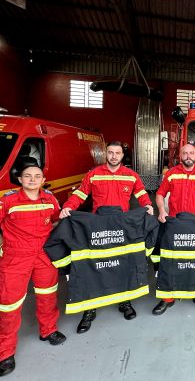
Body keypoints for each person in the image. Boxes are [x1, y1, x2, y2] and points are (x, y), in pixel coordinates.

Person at [0, 163, 66, 377]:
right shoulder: (7, 200)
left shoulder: (50, 199)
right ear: (20, 179)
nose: (33, 180)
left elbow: (55, 223)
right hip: (15, 258)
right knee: (9, 305)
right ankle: (4, 353)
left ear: (43, 179)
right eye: (28, 176)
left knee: (47, 295)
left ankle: (48, 331)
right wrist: (5, 244)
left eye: (37, 176)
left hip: (43, 255)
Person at [59, 141, 154, 333]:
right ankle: (89, 310)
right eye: (110, 153)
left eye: (117, 153)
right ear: (106, 155)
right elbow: (80, 194)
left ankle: (124, 302)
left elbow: (143, 194)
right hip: (98, 227)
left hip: (122, 228)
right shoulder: (93, 174)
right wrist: (68, 206)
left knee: (122, 264)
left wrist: (148, 205)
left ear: (122, 155)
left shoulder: (131, 176)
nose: (113, 156)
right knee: (94, 266)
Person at [153, 144, 195, 314]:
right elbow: (160, 194)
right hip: (176, 224)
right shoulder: (171, 173)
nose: (188, 155)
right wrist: (162, 211)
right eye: (185, 153)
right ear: (180, 155)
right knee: (171, 261)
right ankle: (167, 299)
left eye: (191, 152)